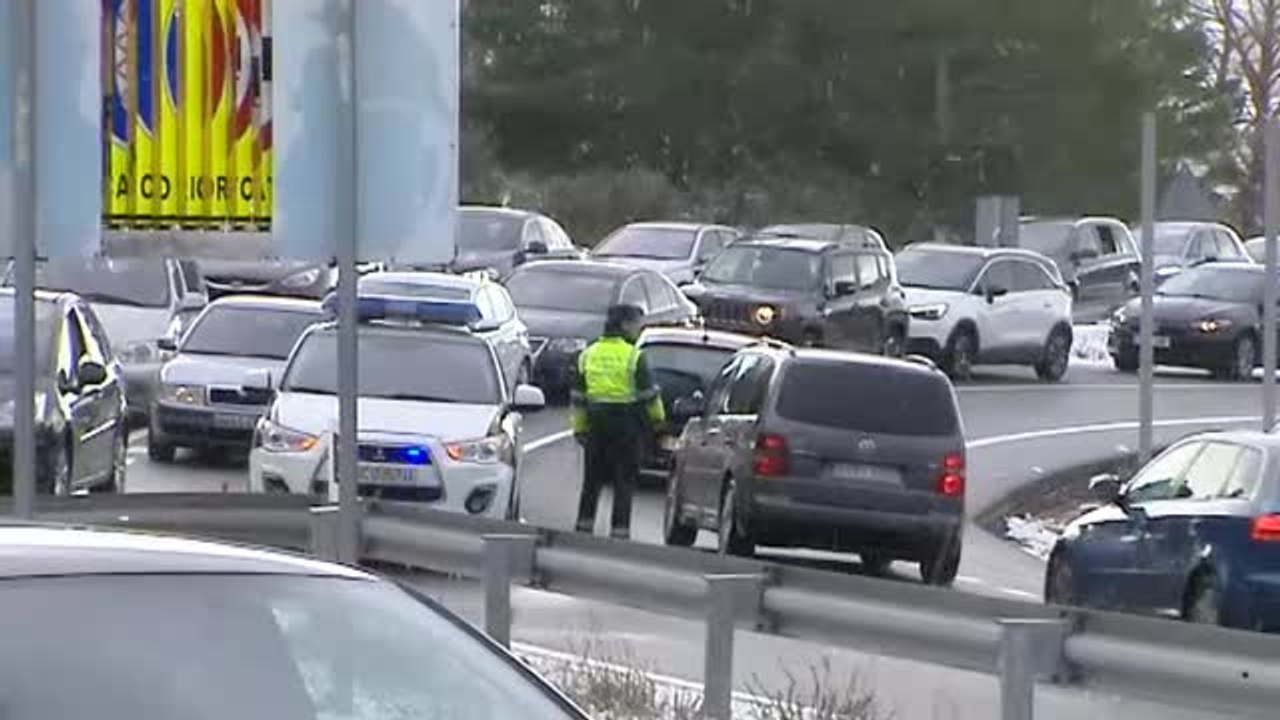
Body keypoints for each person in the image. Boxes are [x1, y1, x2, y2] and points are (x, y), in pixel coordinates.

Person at [570, 304, 666, 540]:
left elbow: (578, 399)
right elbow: (650, 396)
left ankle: (583, 528)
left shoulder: (588, 354)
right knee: (624, 481)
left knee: (592, 481)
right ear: (624, 325)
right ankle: (619, 533)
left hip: (596, 426)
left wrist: (580, 429)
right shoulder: (634, 356)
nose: (638, 330)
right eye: (636, 324)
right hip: (627, 426)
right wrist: (658, 421)